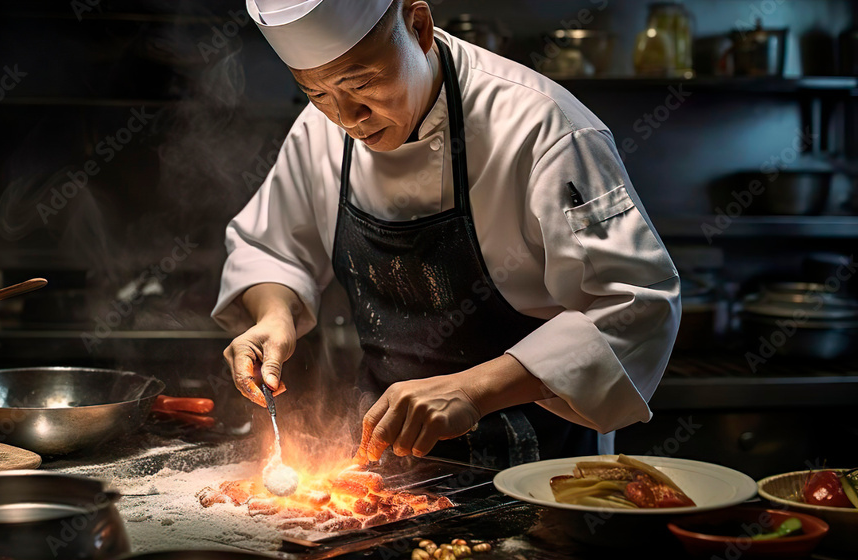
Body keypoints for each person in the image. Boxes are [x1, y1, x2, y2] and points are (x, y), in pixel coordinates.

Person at [212, 0, 681, 468]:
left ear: (418, 27)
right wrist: (274, 316)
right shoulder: (322, 128)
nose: (348, 117)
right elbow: (271, 249)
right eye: (317, 94)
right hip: (386, 457)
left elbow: (637, 305)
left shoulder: (543, 127)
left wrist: (470, 390)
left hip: (541, 462)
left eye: (363, 83)